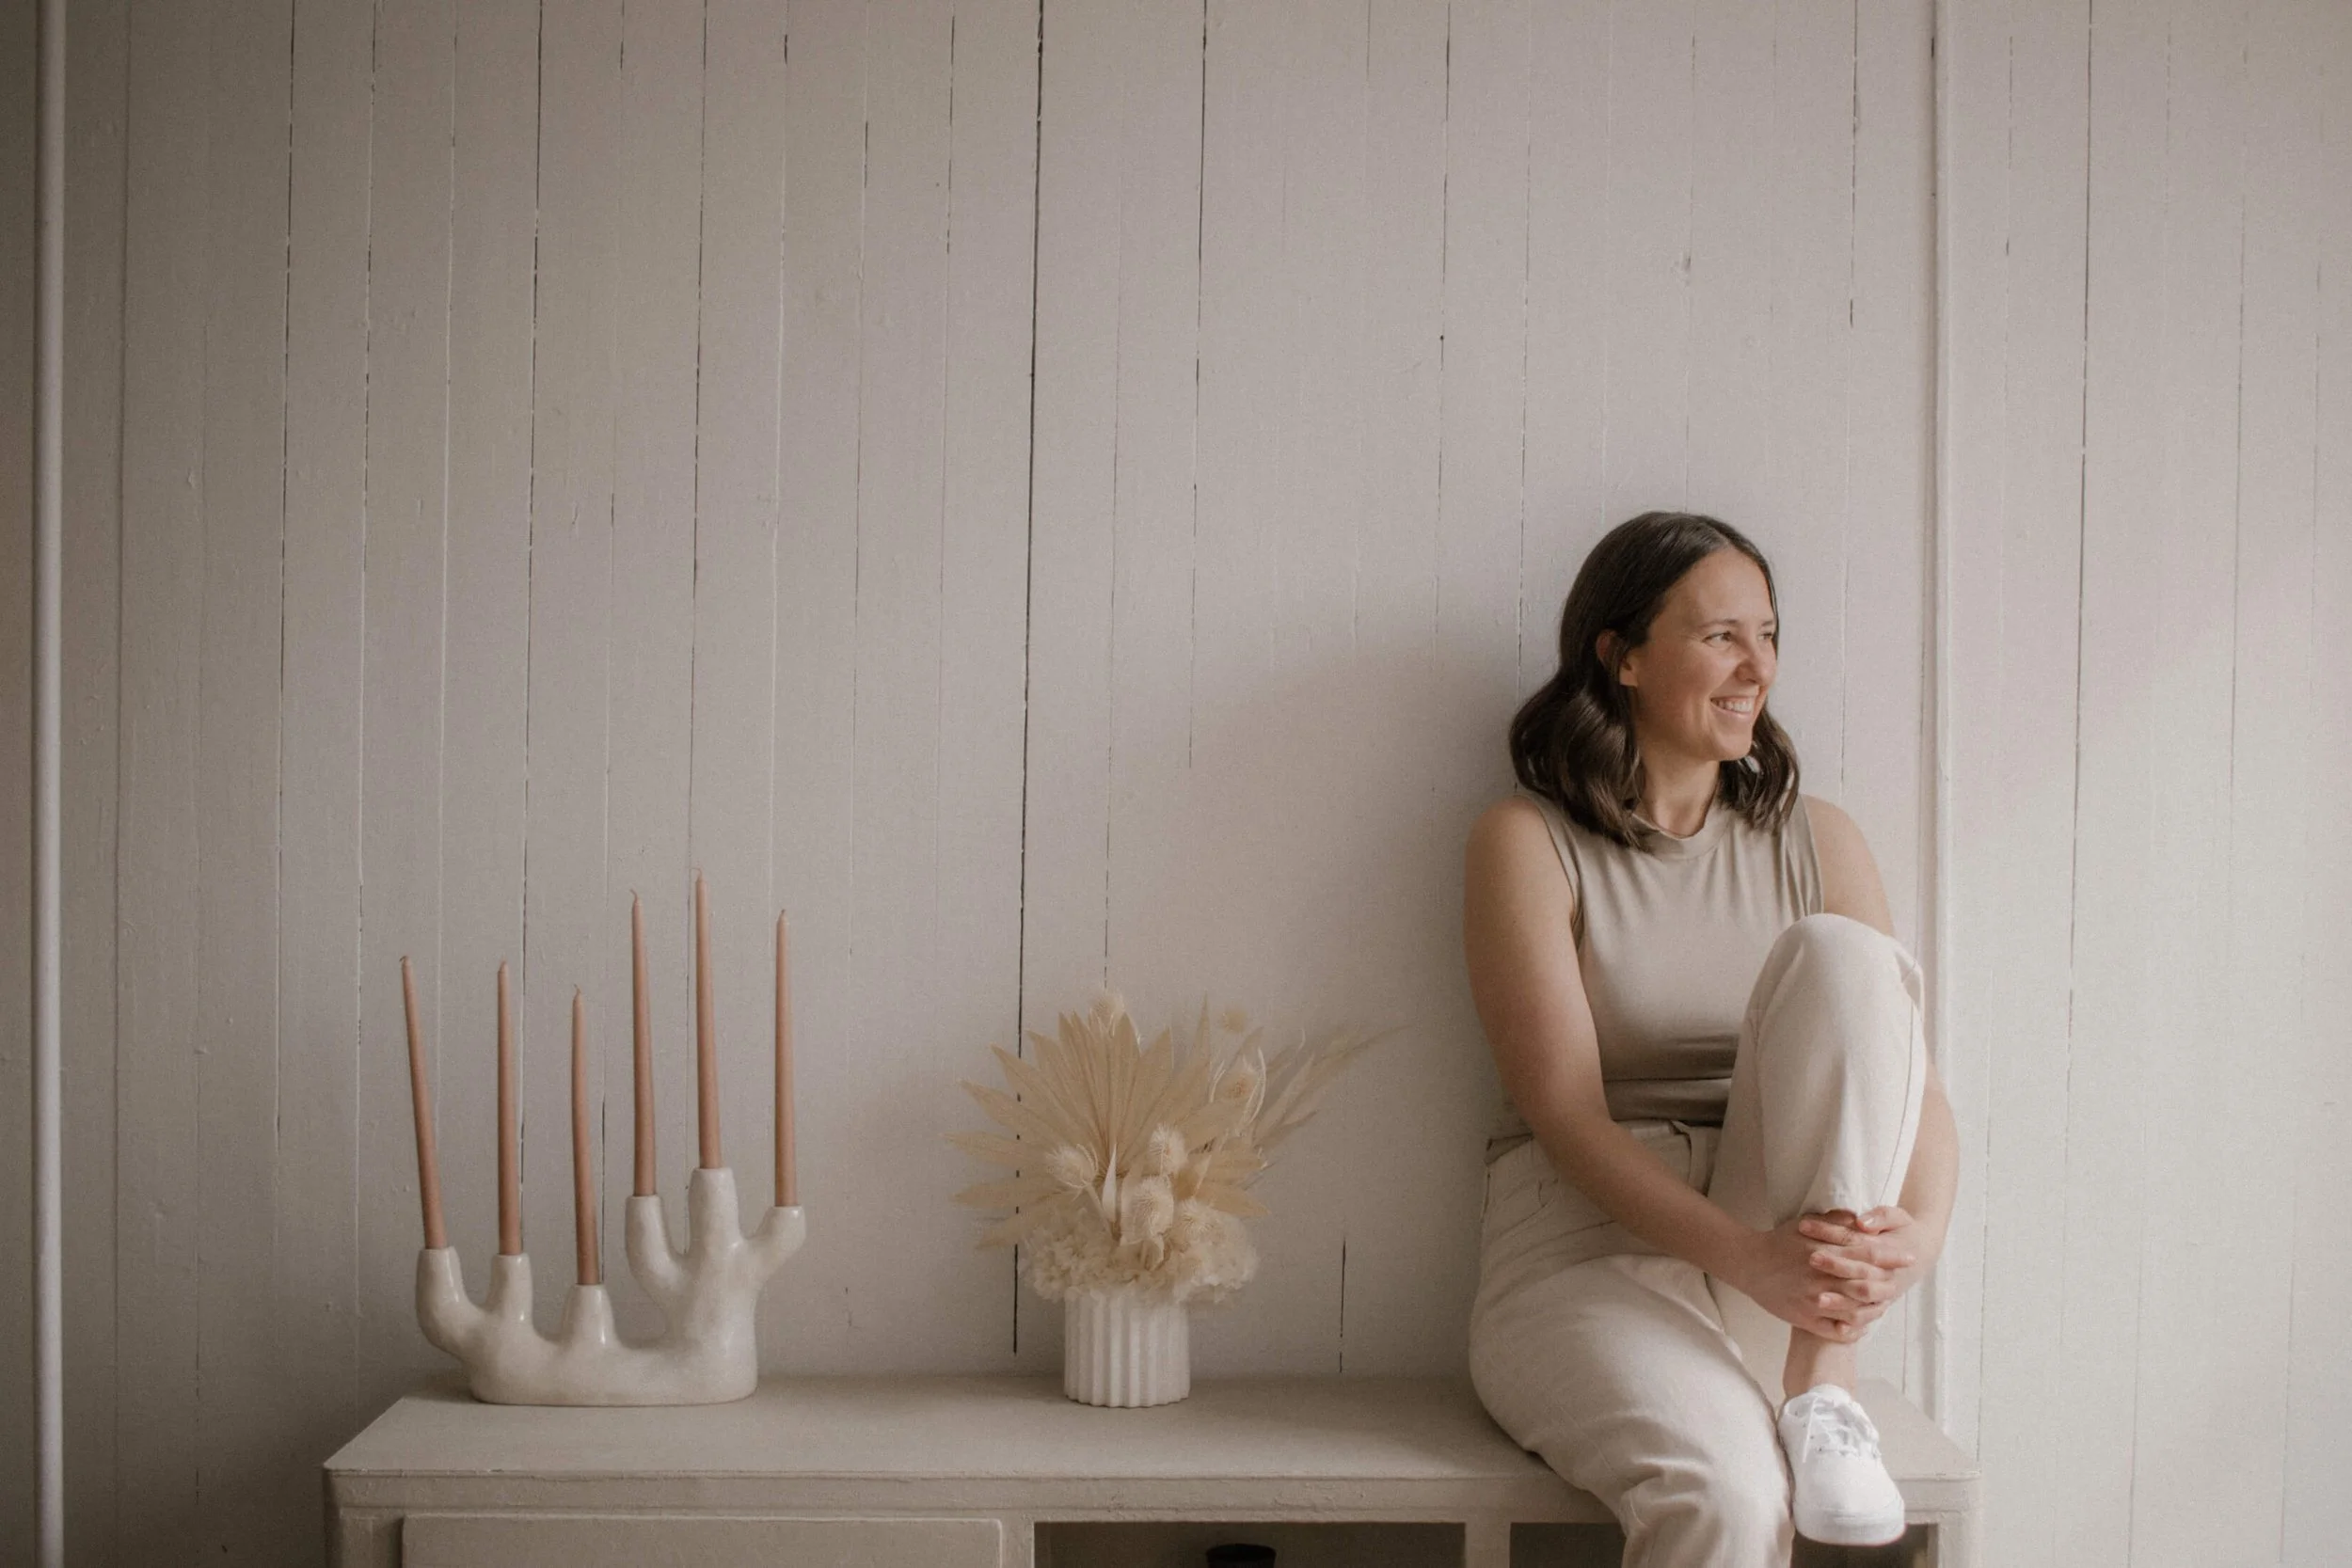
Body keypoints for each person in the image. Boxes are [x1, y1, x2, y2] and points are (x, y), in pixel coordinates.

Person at [1460, 512, 1960, 1562]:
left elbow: (1911, 1080)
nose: (1756, 666)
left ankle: (1825, 1390)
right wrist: (1754, 1261)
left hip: (1772, 1270)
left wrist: (1918, 1230)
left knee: (1847, 958)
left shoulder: (1816, 836)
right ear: (1623, 654)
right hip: (1581, 1262)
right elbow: (1562, 1112)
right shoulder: (1528, 839)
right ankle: (1797, 1385)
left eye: (1768, 634)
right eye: (1721, 634)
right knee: (1731, 1497)